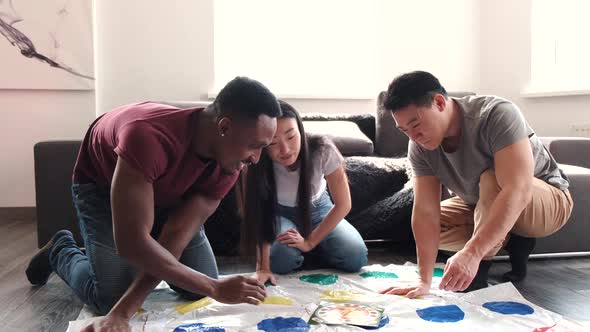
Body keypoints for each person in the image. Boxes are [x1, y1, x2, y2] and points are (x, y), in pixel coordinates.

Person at [25, 77, 282, 331]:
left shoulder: (231, 164)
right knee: (111, 298)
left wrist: (208, 286)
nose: (257, 159)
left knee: (197, 288)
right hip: (102, 184)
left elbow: (175, 238)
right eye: (254, 146)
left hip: (168, 190)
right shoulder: (147, 136)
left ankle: (108, 257)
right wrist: (121, 313)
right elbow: (132, 244)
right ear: (224, 126)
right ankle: (61, 250)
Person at [379, 71, 573, 297]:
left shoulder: (496, 114)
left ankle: (481, 264)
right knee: (431, 225)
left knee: (491, 178)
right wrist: (424, 280)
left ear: (439, 103)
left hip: (546, 202)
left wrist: (472, 253)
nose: (414, 136)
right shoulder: (419, 147)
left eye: (416, 124)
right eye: (405, 131)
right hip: (482, 205)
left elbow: (517, 190)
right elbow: (425, 211)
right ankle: (511, 240)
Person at [242, 100, 368, 285]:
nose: (284, 150)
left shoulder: (322, 149)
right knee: (281, 260)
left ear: (300, 131)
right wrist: (263, 267)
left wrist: (310, 242)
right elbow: (257, 212)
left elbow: (344, 204)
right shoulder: (255, 159)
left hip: (319, 209)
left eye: (291, 137)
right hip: (278, 213)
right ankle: (301, 251)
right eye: (274, 142)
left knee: (354, 256)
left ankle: (311, 247)